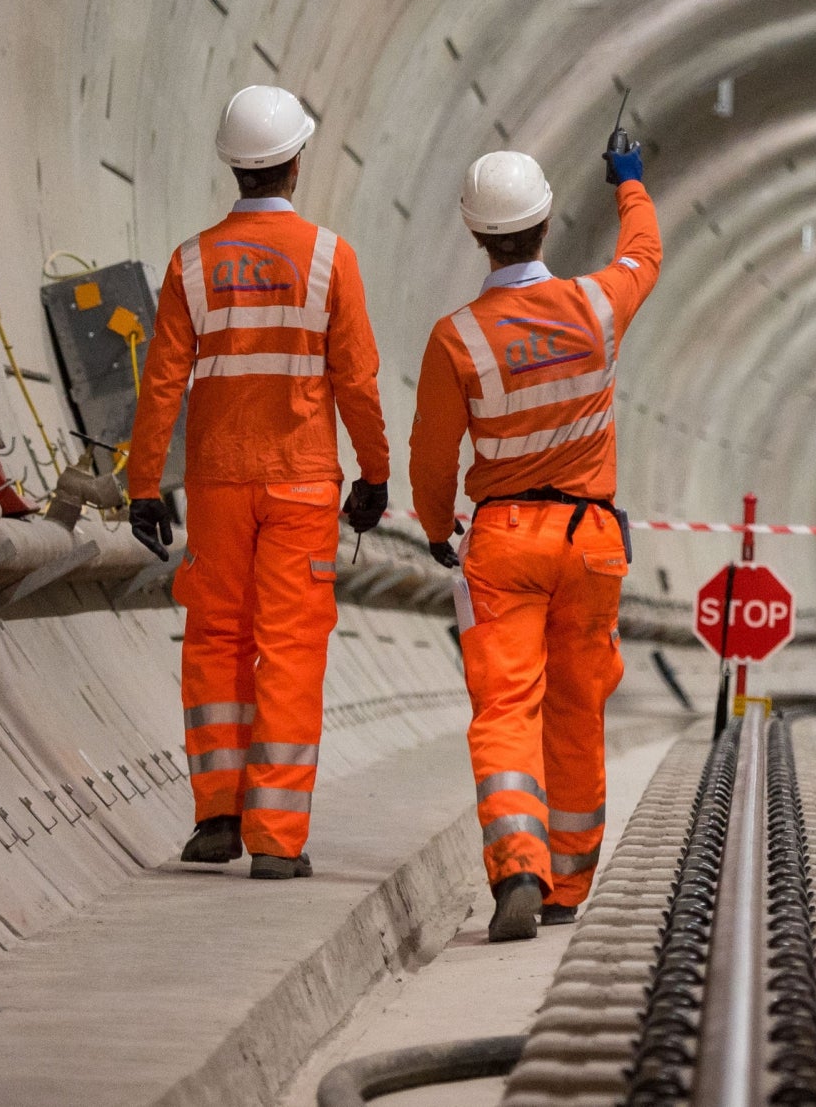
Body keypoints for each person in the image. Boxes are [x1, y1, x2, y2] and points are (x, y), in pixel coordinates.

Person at [126, 85, 392, 879]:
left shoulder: (191, 261)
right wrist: (375, 473)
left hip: (215, 483)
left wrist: (144, 484)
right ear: (296, 161)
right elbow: (359, 380)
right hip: (303, 483)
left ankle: (216, 817)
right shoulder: (328, 257)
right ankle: (277, 837)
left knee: (215, 642)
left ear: (233, 167)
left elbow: (162, 383)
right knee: (289, 650)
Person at [408, 135, 659, 941]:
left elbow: (432, 451)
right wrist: (630, 183)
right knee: (578, 707)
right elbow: (645, 254)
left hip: (504, 540)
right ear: (546, 221)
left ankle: (519, 861)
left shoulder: (458, 338)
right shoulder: (596, 304)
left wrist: (434, 522)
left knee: (505, 707)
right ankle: (569, 880)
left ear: (477, 235)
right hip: (590, 541)